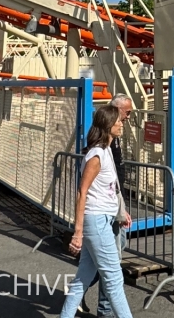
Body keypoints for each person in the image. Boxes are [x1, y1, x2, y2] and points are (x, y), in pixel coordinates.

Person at [59, 106, 133, 318]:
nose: (121, 124)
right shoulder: (96, 154)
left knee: (84, 277)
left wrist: (121, 212)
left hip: (104, 219)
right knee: (114, 279)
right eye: (118, 121)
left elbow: (111, 188)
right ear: (109, 125)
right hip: (97, 221)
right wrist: (78, 232)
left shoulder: (107, 150)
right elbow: (82, 192)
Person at [86, 94, 134, 317]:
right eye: (125, 114)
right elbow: (88, 188)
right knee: (111, 266)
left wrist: (121, 207)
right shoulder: (99, 149)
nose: (126, 120)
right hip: (104, 212)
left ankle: (77, 292)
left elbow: (115, 178)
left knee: (99, 263)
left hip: (113, 207)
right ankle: (105, 310)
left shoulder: (113, 140)